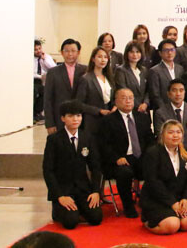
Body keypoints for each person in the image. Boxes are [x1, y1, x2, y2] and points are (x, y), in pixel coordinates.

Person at [42, 100, 103, 230]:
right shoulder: (54, 140)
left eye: (78, 115)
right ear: (63, 118)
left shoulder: (87, 137)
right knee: (70, 223)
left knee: (96, 218)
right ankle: (59, 210)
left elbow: (95, 167)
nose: (75, 119)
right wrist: (59, 196)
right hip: (64, 190)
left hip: (83, 189)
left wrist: (96, 191)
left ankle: (79, 208)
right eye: (70, 116)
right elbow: (48, 170)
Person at [139, 120, 187, 235]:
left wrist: (186, 199)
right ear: (163, 134)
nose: (175, 135)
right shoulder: (153, 153)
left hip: (180, 198)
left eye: (178, 132)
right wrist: (172, 203)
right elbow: (153, 181)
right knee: (172, 225)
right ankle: (147, 222)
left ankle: (177, 218)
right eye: (171, 132)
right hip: (158, 200)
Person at [101, 87, 155, 218]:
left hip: (140, 156)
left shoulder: (143, 118)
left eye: (130, 98)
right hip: (121, 159)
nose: (128, 101)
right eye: (124, 98)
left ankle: (148, 200)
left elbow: (150, 140)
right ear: (116, 101)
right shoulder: (108, 120)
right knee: (124, 172)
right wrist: (116, 158)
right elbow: (103, 145)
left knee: (155, 167)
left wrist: (150, 155)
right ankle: (128, 205)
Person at [153, 78, 187, 155]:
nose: (178, 94)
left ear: (185, 92)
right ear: (168, 94)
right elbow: (161, 136)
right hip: (170, 153)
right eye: (174, 90)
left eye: (181, 90)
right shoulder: (161, 113)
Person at [44, 39, 86, 134]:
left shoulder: (85, 71)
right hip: (60, 119)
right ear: (62, 53)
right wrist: (50, 123)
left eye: (73, 51)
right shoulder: (53, 72)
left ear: (78, 52)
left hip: (80, 120)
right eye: (66, 51)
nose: (70, 54)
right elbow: (48, 99)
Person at [75, 46, 114, 137]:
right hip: (92, 120)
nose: (103, 60)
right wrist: (99, 111)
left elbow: (113, 97)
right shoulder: (86, 78)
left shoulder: (109, 77)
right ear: (93, 59)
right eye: (99, 57)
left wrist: (114, 106)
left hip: (108, 119)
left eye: (105, 57)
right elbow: (79, 103)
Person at [148, 39, 184, 112]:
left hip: (179, 109)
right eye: (166, 50)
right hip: (162, 111)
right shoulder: (154, 70)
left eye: (172, 50)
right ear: (160, 53)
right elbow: (155, 95)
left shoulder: (180, 68)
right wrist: (166, 110)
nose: (169, 53)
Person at [114, 41, 150, 113]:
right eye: (132, 52)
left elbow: (148, 90)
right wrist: (138, 105)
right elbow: (122, 90)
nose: (135, 55)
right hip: (129, 109)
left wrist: (145, 103)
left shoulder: (144, 70)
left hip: (144, 110)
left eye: (137, 52)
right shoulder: (121, 70)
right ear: (127, 53)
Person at [34, 40, 56, 121]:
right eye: (36, 49)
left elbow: (54, 68)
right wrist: (39, 76)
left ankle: (38, 112)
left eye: (39, 48)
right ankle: (33, 113)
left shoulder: (46, 57)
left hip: (43, 81)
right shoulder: (31, 59)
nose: (38, 51)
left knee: (45, 93)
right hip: (34, 80)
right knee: (35, 91)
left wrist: (44, 60)